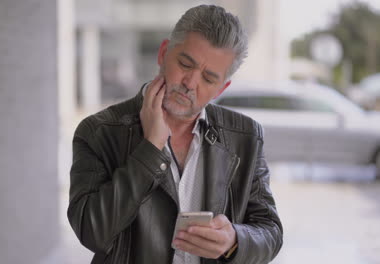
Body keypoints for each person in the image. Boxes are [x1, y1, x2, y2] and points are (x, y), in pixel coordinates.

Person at [68, 4, 283, 264]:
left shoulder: (246, 137)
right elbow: (92, 233)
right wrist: (150, 149)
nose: (190, 83)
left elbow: (270, 231)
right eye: (185, 64)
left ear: (222, 88)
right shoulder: (98, 132)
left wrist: (234, 240)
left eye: (208, 78)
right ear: (162, 53)